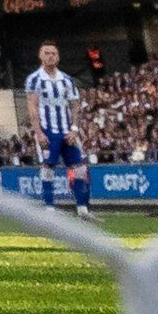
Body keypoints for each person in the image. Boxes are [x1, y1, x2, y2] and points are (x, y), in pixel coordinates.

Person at [26, 39, 97, 220]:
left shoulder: (66, 80)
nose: (50, 56)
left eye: (54, 53)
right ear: (40, 56)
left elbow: (75, 105)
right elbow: (32, 107)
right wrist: (39, 132)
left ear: (58, 57)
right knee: (48, 167)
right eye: (47, 53)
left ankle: (82, 208)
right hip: (48, 130)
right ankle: (49, 208)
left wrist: (74, 129)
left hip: (67, 131)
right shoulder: (34, 79)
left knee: (79, 167)